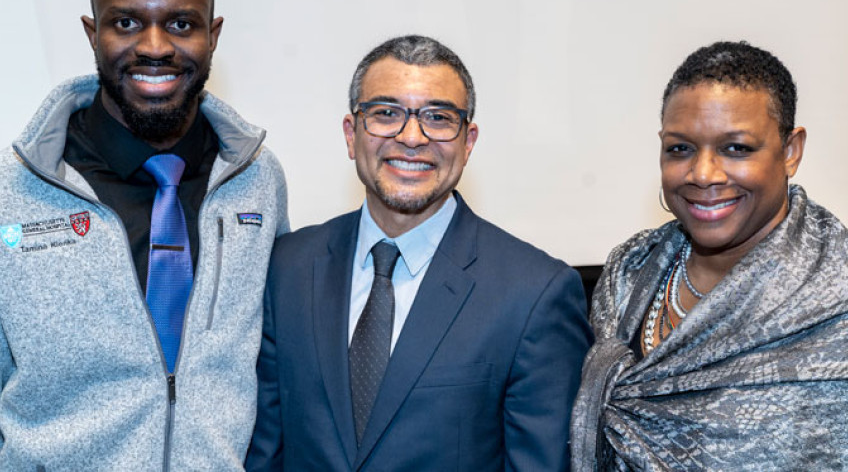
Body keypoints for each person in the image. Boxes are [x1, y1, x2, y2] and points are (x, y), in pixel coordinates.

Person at [0, 0, 288, 470]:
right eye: (126, 23)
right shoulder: (12, 193)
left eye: (181, 24)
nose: (155, 47)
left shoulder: (257, 181)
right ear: (92, 33)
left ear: (213, 35)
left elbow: (270, 370)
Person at [246, 34, 592, 471]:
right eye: (386, 113)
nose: (412, 137)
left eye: (438, 118)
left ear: (468, 142)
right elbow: (265, 455)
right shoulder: (287, 268)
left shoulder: (535, 294)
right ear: (351, 134)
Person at [571, 41, 848, 470]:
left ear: (790, 151)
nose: (702, 174)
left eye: (736, 148)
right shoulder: (628, 273)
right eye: (680, 148)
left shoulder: (835, 295)